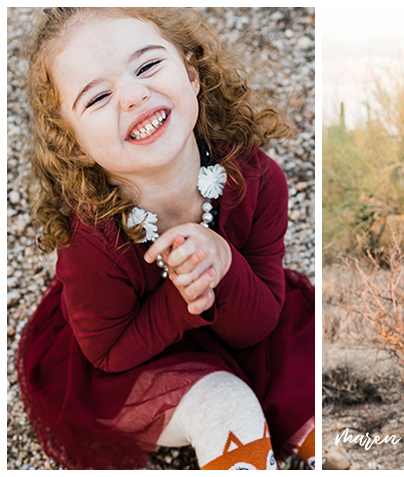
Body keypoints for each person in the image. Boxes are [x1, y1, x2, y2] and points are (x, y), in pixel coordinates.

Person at [16, 8, 315, 470]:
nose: (134, 95)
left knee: (317, 395)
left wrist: (225, 266)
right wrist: (181, 300)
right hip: (133, 355)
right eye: (97, 97)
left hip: (245, 313)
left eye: (147, 65)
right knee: (227, 406)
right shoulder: (92, 240)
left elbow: (258, 325)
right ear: (74, 144)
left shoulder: (258, 179)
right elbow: (109, 352)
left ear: (192, 73)